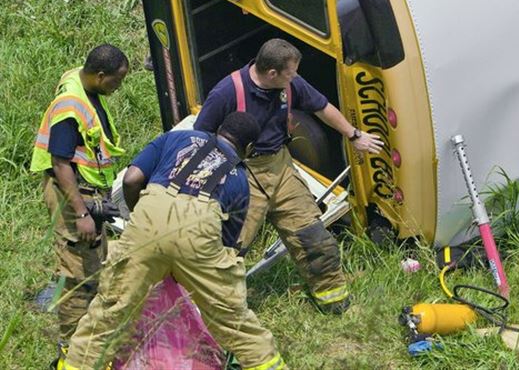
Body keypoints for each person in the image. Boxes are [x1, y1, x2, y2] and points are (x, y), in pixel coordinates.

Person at [64, 112, 285, 370]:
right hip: (200, 227)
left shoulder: (177, 138)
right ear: (248, 149)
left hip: (151, 212)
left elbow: (132, 179)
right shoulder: (240, 179)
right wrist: (187, 269)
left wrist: (141, 223)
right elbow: (226, 244)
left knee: (112, 308)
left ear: (218, 129)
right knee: (232, 319)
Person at [195, 38, 383, 314]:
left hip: (281, 167)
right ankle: (208, 313)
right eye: (290, 73)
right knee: (227, 251)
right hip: (242, 172)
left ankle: (334, 303)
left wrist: (355, 136)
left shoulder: (290, 84)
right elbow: (200, 137)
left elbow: (322, 107)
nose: (295, 78)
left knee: (314, 238)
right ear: (272, 73)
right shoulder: (226, 92)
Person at [29, 44, 129, 366]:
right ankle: (68, 353)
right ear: (100, 76)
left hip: (89, 193)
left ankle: (88, 338)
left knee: (92, 264)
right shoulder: (70, 105)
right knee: (75, 274)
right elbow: (60, 163)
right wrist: (82, 212)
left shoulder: (82, 84)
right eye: (116, 81)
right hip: (73, 195)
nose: (118, 87)